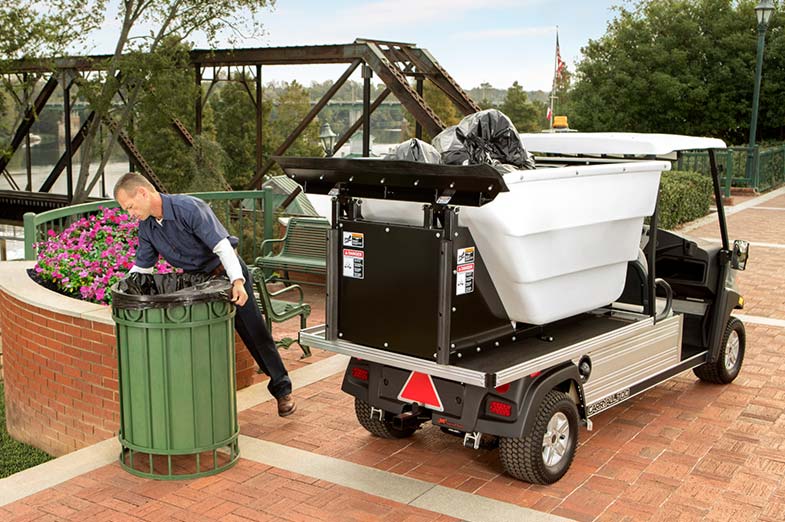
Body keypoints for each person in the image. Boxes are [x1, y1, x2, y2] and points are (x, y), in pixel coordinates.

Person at [113, 172, 296, 416]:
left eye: (130, 207)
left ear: (143, 193)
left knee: (254, 333)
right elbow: (142, 268)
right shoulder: (147, 228)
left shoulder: (189, 208)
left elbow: (222, 247)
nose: (130, 214)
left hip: (228, 274)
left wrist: (238, 282)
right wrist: (121, 291)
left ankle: (282, 390)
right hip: (199, 283)